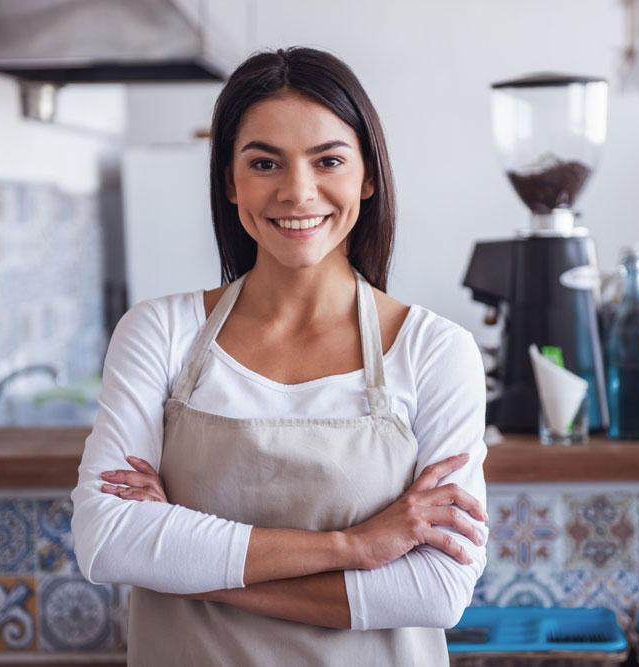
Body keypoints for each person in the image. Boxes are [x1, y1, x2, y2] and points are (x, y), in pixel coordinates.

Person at [71, 46, 488, 666]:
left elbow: (435, 590)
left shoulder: (434, 351)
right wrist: (351, 547)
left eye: (329, 161)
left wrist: (186, 567)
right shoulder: (158, 333)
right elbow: (106, 543)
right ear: (230, 182)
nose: (297, 191)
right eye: (265, 162)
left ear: (367, 178)